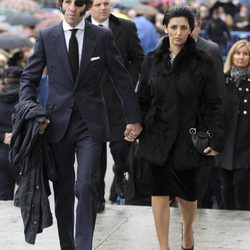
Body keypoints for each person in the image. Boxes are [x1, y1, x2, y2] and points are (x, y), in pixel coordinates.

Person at [18, 0, 142, 249]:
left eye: (78, 3)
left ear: (85, 7)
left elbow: (121, 79)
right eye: (68, 2)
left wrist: (133, 118)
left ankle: (84, 245)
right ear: (61, 5)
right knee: (63, 190)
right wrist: (30, 112)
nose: (73, 8)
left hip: (91, 124)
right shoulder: (46, 37)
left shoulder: (103, 37)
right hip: (56, 124)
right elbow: (28, 79)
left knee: (86, 186)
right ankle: (68, 246)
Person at [137, 6, 224, 250]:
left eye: (184, 27)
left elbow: (214, 103)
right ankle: (163, 246)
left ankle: (187, 232)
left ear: (192, 29)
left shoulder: (203, 61)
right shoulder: (152, 60)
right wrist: (137, 125)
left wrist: (215, 138)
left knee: (187, 194)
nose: (178, 32)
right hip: (157, 136)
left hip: (188, 136)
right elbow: (142, 98)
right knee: (159, 192)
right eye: (173, 27)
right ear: (164, 28)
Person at [85, 0, 144, 212]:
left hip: (119, 102)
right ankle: (97, 199)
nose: (103, 8)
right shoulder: (82, 28)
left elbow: (138, 58)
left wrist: (127, 80)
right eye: (98, 4)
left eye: (106, 3)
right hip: (92, 102)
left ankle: (119, 174)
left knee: (121, 151)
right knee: (94, 156)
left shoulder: (126, 27)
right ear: (89, 7)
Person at [191, 8, 225, 209]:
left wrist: (217, 136)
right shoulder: (164, 46)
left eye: (190, 26)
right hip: (174, 125)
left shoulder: (210, 49)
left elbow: (218, 94)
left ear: (198, 26)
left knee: (200, 181)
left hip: (202, 126)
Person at [216, 40, 250, 210]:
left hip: (246, 144)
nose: (241, 57)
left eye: (245, 54)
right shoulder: (222, 79)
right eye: (238, 53)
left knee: (242, 184)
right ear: (232, 55)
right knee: (225, 188)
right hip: (225, 143)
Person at [0, 66, 22, 200]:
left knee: (3, 201)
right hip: (22, 153)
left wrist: (3, 136)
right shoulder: (27, 102)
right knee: (25, 201)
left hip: (1, 154)